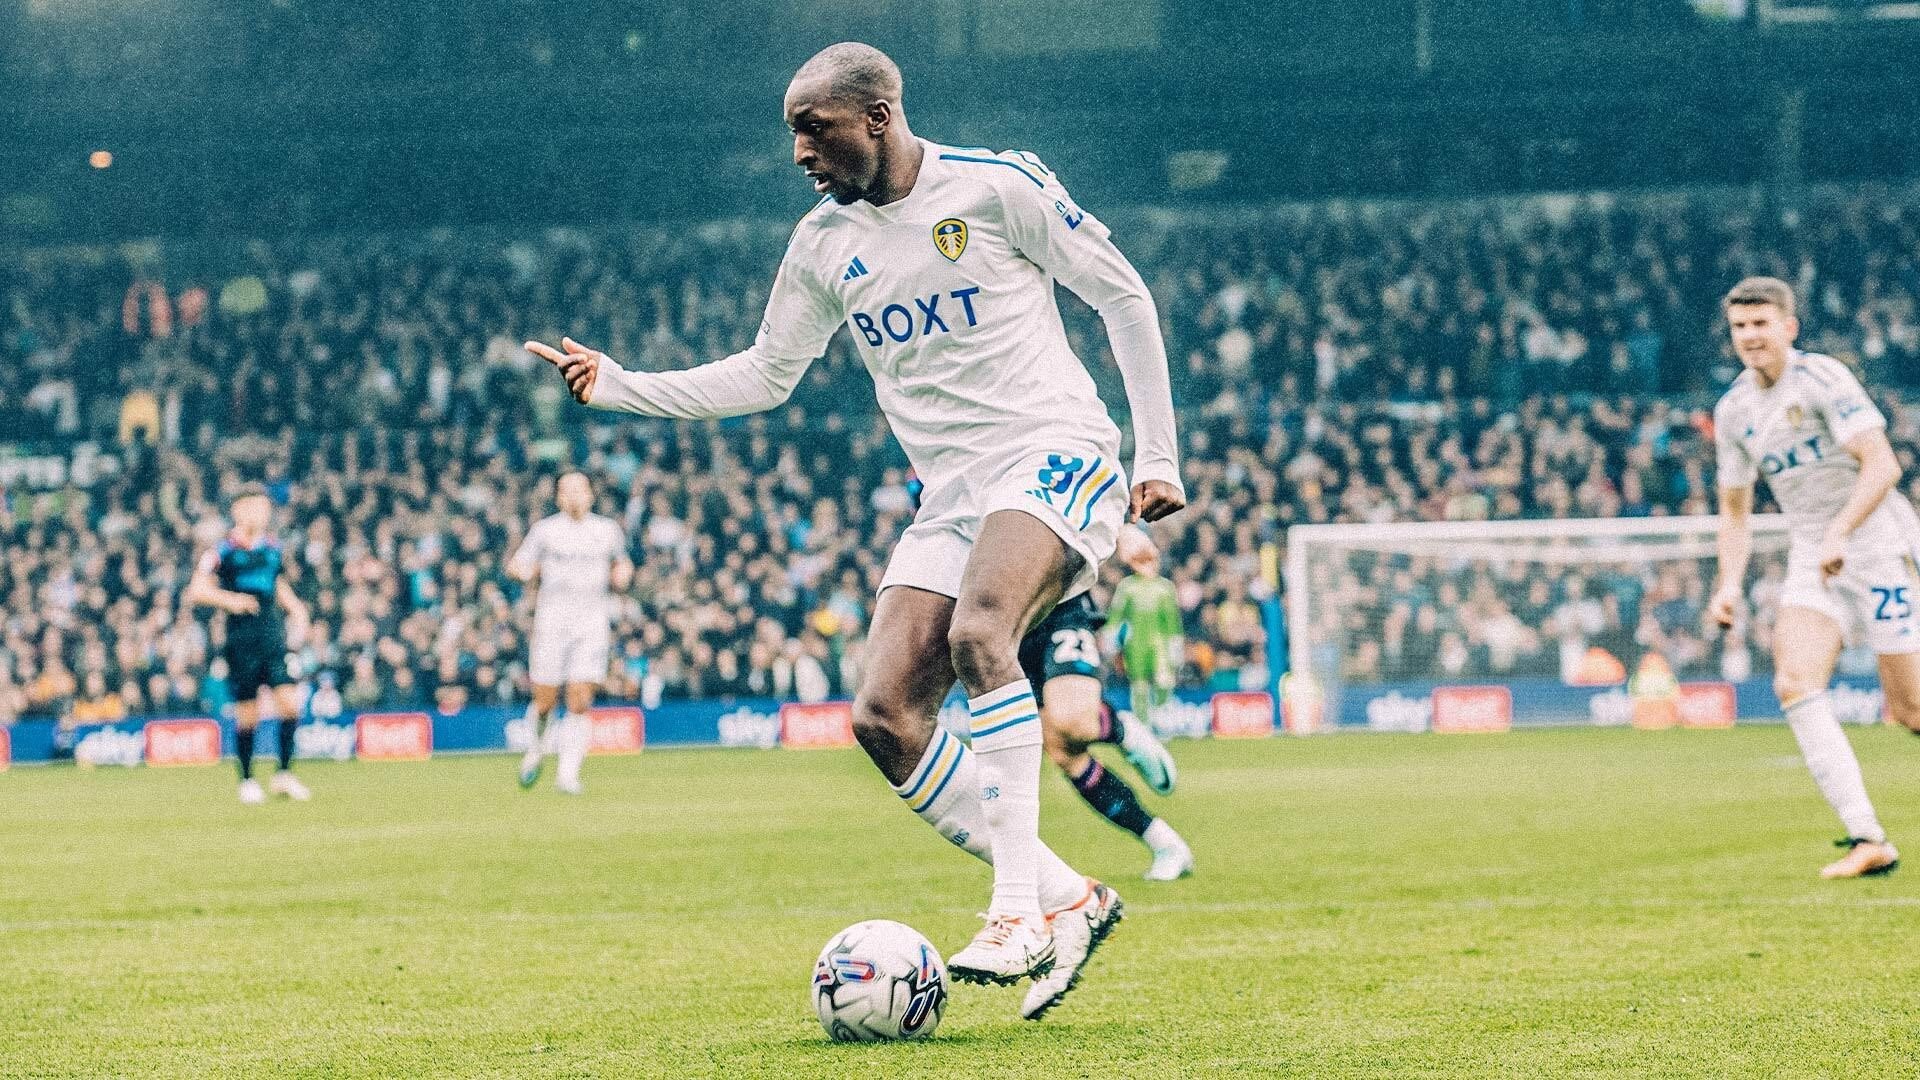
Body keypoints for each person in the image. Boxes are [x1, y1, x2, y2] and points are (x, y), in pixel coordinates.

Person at [527, 42, 1183, 1013]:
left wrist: (1157, 456)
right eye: (793, 135)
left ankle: (1013, 915)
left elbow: (1122, 292)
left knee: (979, 634)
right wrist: (621, 387)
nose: (800, 153)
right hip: (952, 494)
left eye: (814, 129)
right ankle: (1068, 896)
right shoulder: (823, 246)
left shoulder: (997, 188)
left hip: (1057, 449)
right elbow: (763, 373)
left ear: (877, 117)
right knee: (883, 715)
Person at [1708, 276, 1920, 879]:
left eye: (1761, 324)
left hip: (1877, 545)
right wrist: (1728, 583)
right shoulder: (1734, 411)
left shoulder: (1823, 379)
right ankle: (1867, 837)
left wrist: (1841, 531)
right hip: (1812, 556)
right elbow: (1735, 513)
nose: (1750, 337)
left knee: (1910, 710)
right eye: (1740, 327)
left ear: (1788, 327)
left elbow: (1883, 465)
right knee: (1795, 683)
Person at [1020, 583, 1194, 886]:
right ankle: (1165, 843)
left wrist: (1125, 535)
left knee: (1075, 722)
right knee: (1063, 751)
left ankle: (1116, 727)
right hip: (1005, 622)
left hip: (1057, 604)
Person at [508, 472, 634, 795]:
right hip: (551, 624)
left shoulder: (607, 530)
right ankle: (536, 751)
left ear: (591, 494)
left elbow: (623, 562)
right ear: (559, 498)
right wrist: (524, 572)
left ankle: (568, 774)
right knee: (545, 699)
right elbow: (517, 564)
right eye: (567, 491)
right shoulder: (545, 531)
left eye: (581, 490)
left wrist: (622, 573)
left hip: (591, 624)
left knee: (579, 700)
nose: (575, 497)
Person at [186, 488, 312, 804]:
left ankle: (283, 774)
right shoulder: (221, 551)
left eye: (266, 507)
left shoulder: (273, 549)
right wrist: (230, 600)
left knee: (290, 703)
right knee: (248, 715)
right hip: (240, 641)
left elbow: (275, 584)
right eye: (256, 507)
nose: (262, 513)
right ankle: (247, 779)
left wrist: (296, 608)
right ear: (239, 511)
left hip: (272, 636)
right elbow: (197, 590)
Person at [1106, 525, 1186, 743]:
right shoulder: (1127, 587)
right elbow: (1116, 616)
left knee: (1164, 682)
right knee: (1139, 686)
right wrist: (1112, 640)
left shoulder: (1165, 588)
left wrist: (1176, 645)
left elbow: (1172, 621)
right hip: (1136, 644)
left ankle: (1161, 720)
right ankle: (1143, 727)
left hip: (1159, 644)